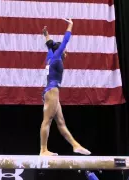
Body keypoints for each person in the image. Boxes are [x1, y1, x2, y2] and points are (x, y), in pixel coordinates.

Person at [39, 19, 91, 156]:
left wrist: (46, 35)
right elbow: (65, 40)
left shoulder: (51, 55)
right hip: (52, 90)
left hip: (50, 91)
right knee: (47, 120)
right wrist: (71, 25)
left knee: (61, 122)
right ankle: (43, 149)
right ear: (60, 50)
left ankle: (75, 145)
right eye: (64, 50)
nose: (66, 52)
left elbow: (49, 45)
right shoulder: (56, 57)